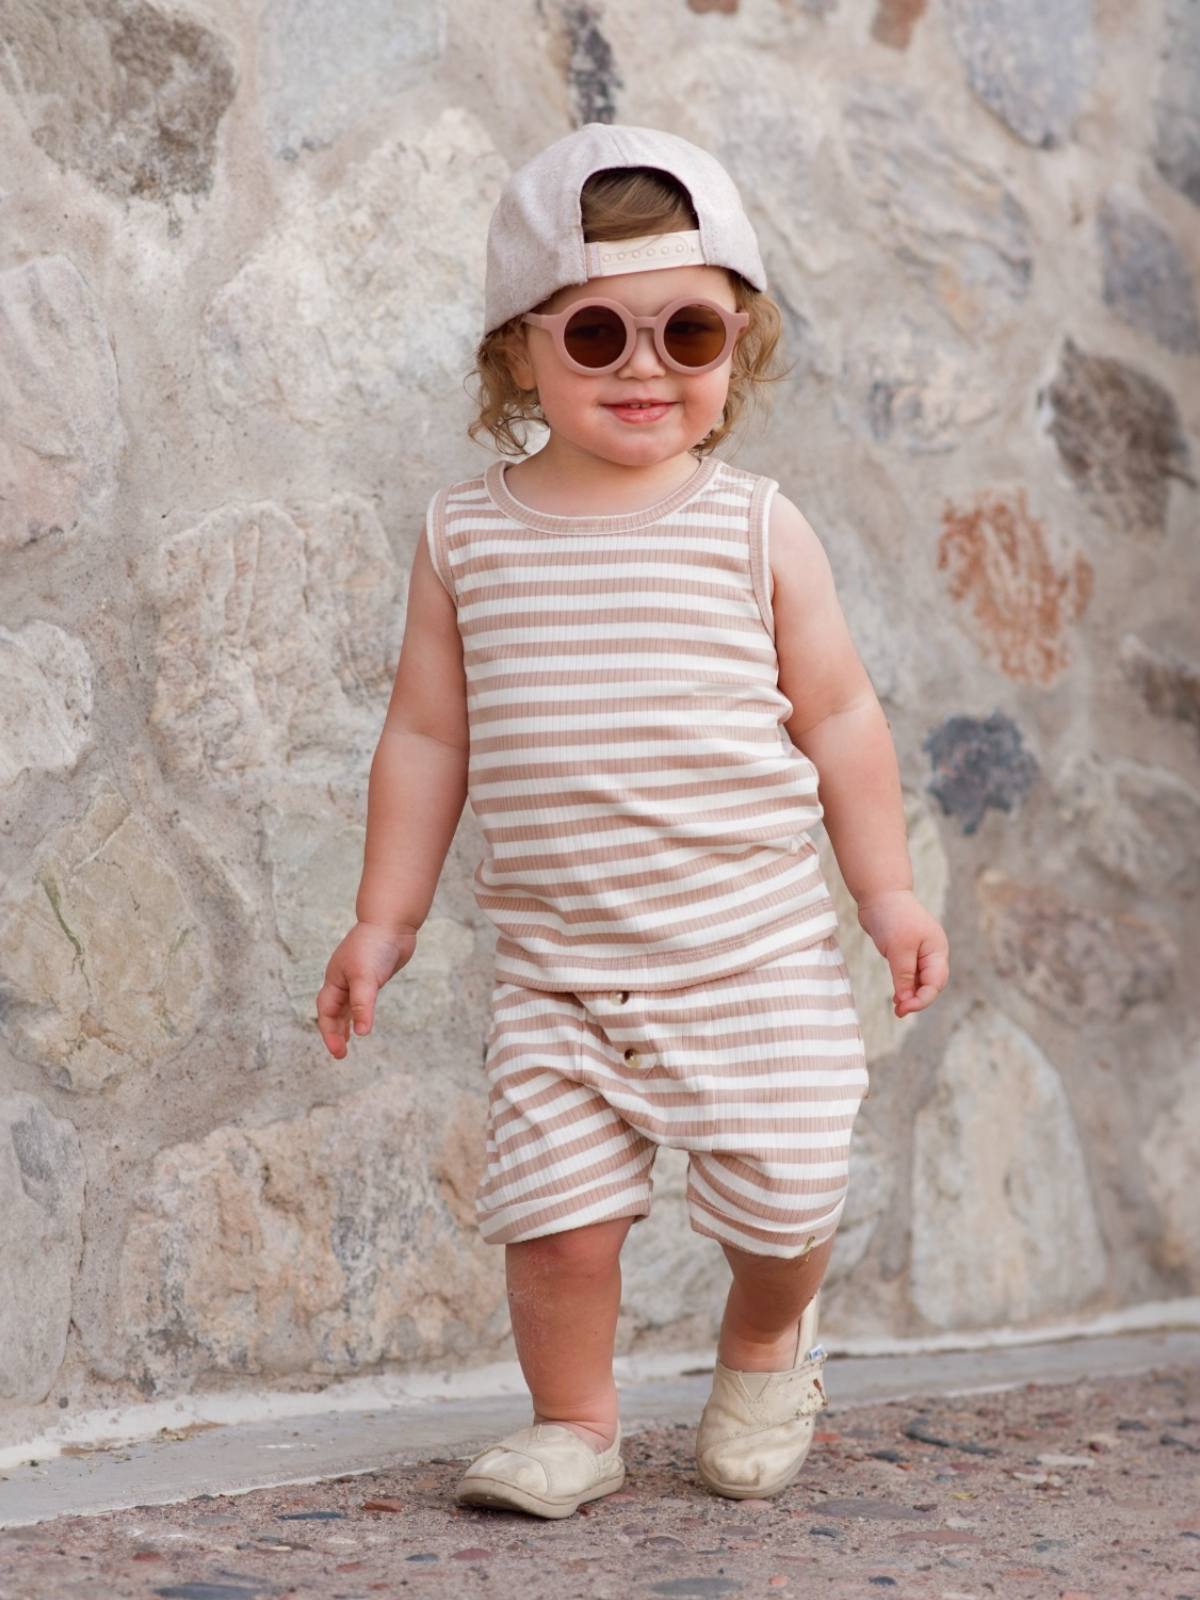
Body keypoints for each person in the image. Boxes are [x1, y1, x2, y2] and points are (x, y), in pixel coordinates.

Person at [317, 123, 949, 1520]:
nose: (649, 366)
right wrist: (385, 915)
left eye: (693, 332)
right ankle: (576, 1422)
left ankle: (767, 1344)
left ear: (739, 348)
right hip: (559, 969)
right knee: (554, 1230)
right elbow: (427, 734)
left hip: (753, 949)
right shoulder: (466, 536)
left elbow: (841, 718)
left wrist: (889, 893)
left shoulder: (756, 528)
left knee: (790, 1204)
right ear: (518, 351)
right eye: (599, 334)